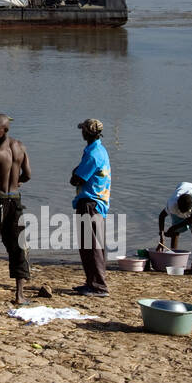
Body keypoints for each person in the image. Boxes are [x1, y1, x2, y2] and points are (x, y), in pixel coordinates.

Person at [0, 113, 31, 304]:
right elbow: (27, 174)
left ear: (5, 129)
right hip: (15, 200)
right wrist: (15, 183)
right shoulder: (20, 147)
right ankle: (19, 294)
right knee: (17, 245)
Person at [70, 118, 111, 297]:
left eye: (83, 130)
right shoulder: (99, 150)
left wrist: (74, 173)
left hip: (90, 203)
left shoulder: (94, 154)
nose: (82, 133)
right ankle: (92, 282)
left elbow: (76, 179)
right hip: (97, 202)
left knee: (91, 245)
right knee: (93, 244)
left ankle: (98, 286)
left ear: (87, 133)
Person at [158, 182, 192, 270]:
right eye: (181, 211)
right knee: (175, 233)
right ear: (178, 206)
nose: (183, 214)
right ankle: (173, 258)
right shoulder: (172, 204)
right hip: (182, 188)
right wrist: (162, 238)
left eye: (185, 211)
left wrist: (174, 227)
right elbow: (161, 216)